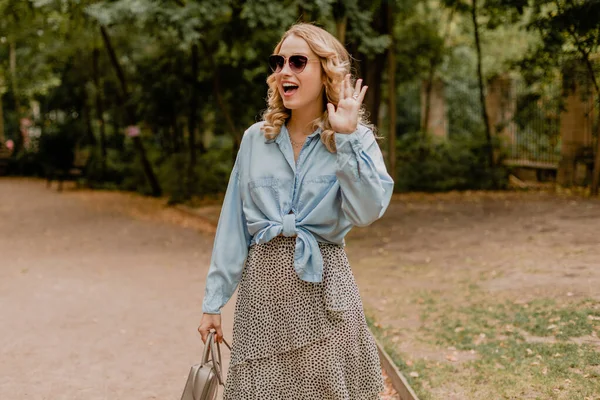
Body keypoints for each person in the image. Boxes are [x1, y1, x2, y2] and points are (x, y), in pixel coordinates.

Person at [197, 22, 394, 399]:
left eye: (298, 62)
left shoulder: (355, 137)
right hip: (263, 298)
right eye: (278, 62)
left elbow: (368, 211)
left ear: (326, 72)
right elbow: (233, 226)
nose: (283, 71)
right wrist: (213, 302)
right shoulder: (256, 138)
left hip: (325, 290)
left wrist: (349, 139)